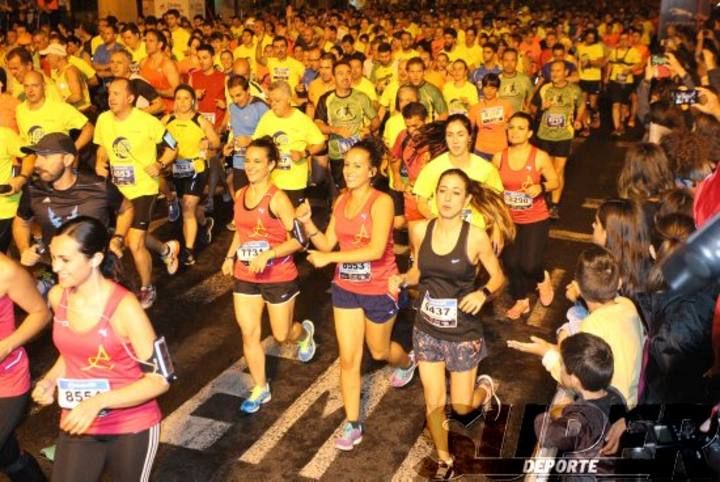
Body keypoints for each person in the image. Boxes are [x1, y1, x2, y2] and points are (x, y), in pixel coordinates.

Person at [296, 138, 417, 451]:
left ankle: (406, 361)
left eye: (356, 165)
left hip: (379, 287)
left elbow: (376, 250)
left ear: (372, 171)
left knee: (378, 351)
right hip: (346, 288)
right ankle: (352, 424)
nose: (348, 170)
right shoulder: (340, 201)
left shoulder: (382, 202)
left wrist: (330, 259)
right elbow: (326, 244)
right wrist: (308, 222)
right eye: (346, 164)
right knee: (349, 359)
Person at [31, 216, 170, 482]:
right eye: (53, 257)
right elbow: (73, 353)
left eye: (66, 259)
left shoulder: (125, 308)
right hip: (79, 421)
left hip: (131, 425)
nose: (56, 267)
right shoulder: (58, 296)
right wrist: (50, 380)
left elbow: (160, 380)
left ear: (94, 259)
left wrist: (98, 402)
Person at [389, 168, 505, 479]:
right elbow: (418, 273)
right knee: (434, 400)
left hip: (462, 332)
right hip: (426, 329)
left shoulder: (475, 237)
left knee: (463, 408)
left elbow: (498, 277)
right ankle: (445, 459)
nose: (448, 198)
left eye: (456, 192)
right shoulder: (420, 230)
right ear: (435, 195)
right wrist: (402, 279)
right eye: (443, 190)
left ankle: (484, 389)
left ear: (467, 199)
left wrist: (483, 293)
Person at [221, 137, 316, 414]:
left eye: (257, 161)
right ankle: (260, 387)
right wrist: (230, 257)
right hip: (247, 274)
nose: (250, 166)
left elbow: (299, 240)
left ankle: (304, 334)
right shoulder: (240, 195)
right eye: (247, 160)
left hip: (278, 275)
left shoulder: (277, 199)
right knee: (249, 333)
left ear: (271, 164)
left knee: (282, 334)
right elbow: (241, 229)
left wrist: (269, 254)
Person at [509, 246, 645, 408]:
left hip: (609, 408)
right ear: (619, 282)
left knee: (561, 398)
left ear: (578, 287)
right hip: (632, 396)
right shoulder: (627, 305)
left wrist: (546, 354)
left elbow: (574, 381)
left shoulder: (591, 326)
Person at [94, 77, 181, 308]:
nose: (111, 98)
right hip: (119, 190)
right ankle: (165, 249)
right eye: (110, 93)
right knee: (134, 235)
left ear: (130, 98)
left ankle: (146, 287)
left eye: (116, 94)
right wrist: (100, 161)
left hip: (144, 187)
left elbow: (173, 145)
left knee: (134, 242)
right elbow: (103, 146)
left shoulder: (147, 121)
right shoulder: (103, 119)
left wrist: (161, 164)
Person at [493, 112, 559, 319]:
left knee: (529, 264)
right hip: (509, 219)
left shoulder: (539, 156)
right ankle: (521, 301)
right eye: (511, 127)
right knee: (511, 263)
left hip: (535, 218)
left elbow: (555, 181)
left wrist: (541, 187)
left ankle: (542, 278)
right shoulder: (498, 157)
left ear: (530, 132)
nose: (514, 132)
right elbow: (493, 188)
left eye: (521, 128)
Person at [532, 333, 627, 464]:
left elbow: (546, 435)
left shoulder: (580, 419)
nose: (560, 369)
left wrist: (548, 415)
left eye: (562, 366)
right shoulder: (615, 395)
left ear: (575, 379)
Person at [0, 253, 51, 482]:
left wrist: (6, 346)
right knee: (7, 456)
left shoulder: (6, 271)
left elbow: (41, 312)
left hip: (6, 381)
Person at [413, 115, 505, 240]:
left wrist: (497, 231)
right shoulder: (433, 167)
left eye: (460, 134)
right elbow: (421, 202)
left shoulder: (486, 168)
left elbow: (497, 203)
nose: (455, 141)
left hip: (476, 237)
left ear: (469, 137)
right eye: (450, 135)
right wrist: (439, 222)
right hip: (442, 236)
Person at [162, 85, 219, 266]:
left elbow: (216, 142)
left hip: (196, 168)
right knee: (189, 207)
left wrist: (207, 142)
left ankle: (188, 251)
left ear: (193, 100)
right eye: (179, 98)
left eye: (187, 98)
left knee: (187, 207)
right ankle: (204, 221)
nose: (182, 102)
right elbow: (152, 136)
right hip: (176, 170)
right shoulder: (167, 120)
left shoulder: (199, 120)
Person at [252, 80, 326, 207]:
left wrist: (304, 153)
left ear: (288, 99)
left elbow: (320, 143)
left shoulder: (302, 120)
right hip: (271, 181)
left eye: (277, 101)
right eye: (271, 101)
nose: (273, 105)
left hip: (294, 182)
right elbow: (256, 142)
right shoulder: (267, 117)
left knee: (291, 220)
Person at [315, 60, 379, 194]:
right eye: (340, 73)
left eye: (348, 73)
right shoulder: (326, 99)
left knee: (362, 188)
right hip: (338, 154)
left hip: (359, 152)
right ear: (333, 77)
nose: (345, 77)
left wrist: (369, 129)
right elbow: (318, 124)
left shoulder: (361, 97)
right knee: (343, 191)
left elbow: (375, 120)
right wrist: (335, 130)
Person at [532, 60, 584, 218]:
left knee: (558, 170)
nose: (554, 74)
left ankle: (554, 205)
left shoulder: (574, 90)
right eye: (552, 71)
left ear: (566, 73)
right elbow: (532, 107)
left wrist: (579, 119)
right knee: (544, 170)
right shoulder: (545, 88)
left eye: (558, 71)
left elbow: (581, 105)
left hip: (564, 135)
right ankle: (546, 196)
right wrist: (542, 108)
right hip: (544, 135)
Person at [223, 74, 270, 196]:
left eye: (239, 95)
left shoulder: (261, 107)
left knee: (258, 199)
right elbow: (237, 132)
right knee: (240, 199)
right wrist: (230, 144)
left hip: (258, 163)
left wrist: (251, 140)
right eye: (232, 96)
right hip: (239, 161)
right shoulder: (232, 108)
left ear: (248, 91)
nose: (236, 100)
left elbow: (270, 136)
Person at [469, 73, 514, 161]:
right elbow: (469, 129)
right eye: (486, 87)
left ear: (497, 89)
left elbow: (514, 124)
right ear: (482, 87)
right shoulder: (475, 108)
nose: (489, 91)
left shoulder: (505, 105)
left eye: (492, 88)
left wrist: (508, 125)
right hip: (481, 149)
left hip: (501, 149)